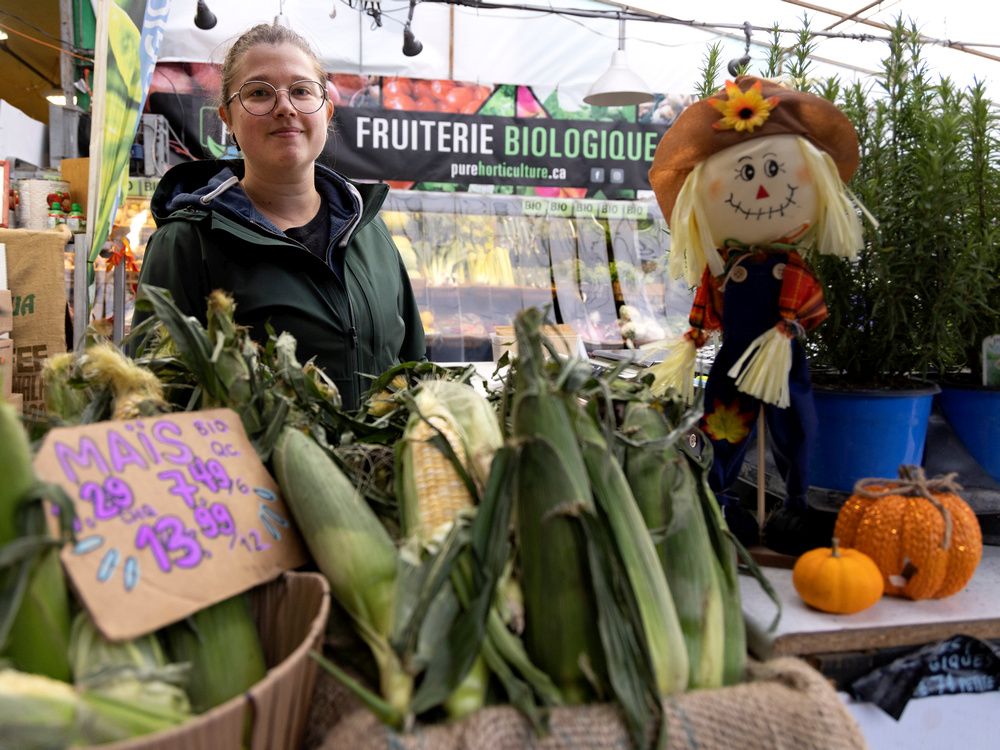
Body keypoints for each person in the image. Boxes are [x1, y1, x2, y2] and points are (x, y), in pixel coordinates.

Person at [131, 24, 425, 410]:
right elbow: (156, 403)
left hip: (378, 468)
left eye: (302, 91)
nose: (285, 107)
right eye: (258, 93)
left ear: (326, 109)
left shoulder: (370, 231)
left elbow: (413, 367)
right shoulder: (188, 243)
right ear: (228, 118)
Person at [646, 77, 871, 554]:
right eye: (746, 173)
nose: (765, 185)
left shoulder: (793, 271)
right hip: (733, 362)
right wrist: (692, 338)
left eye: (774, 169)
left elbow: (811, 305)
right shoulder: (726, 272)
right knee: (723, 425)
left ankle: (794, 506)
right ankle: (722, 500)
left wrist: (790, 324)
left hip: (784, 363)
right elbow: (706, 309)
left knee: (796, 428)